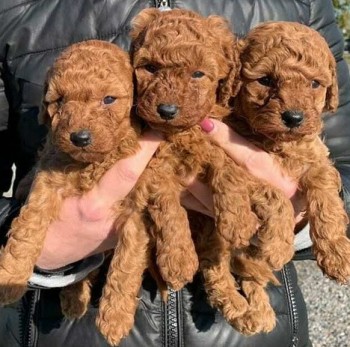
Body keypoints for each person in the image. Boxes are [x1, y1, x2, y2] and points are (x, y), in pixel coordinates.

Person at [0, 0, 349, 346]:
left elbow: (344, 161)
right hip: (61, 327)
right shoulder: (12, 8)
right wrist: (40, 252)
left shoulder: (303, 4)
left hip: (255, 323)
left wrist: (301, 217)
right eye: (148, 68)